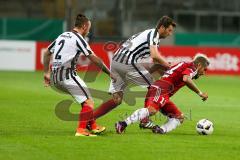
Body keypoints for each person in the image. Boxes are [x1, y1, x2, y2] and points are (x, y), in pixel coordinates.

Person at [93, 16, 177, 123]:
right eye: (169, 30)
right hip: (127, 61)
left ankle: (89, 120)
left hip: (116, 62)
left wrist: (164, 69)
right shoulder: (154, 34)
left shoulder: (149, 34)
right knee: (154, 87)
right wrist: (170, 67)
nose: (170, 34)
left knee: (116, 100)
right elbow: (155, 56)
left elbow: (154, 62)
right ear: (161, 27)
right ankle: (145, 120)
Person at [43, 14, 113, 137]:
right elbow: (94, 59)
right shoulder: (79, 39)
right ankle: (81, 130)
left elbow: (47, 53)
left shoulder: (62, 35)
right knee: (88, 102)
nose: (89, 31)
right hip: (67, 75)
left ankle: (93, 126)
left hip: (56, 77)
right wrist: (110, 74)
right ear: (84, 26)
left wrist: (46, 73)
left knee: (84, 99)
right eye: (89, 28)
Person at [115, 54, 209, 134]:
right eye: (204, 69)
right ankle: (122, 123)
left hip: (162, 92)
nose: (203, 73)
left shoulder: (184, 64)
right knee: (151, 110)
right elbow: (186, 79)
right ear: (199, 65)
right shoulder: (192, 67)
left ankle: (160, 130)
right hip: (160, 90)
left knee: (179, 117)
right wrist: (200, 93)